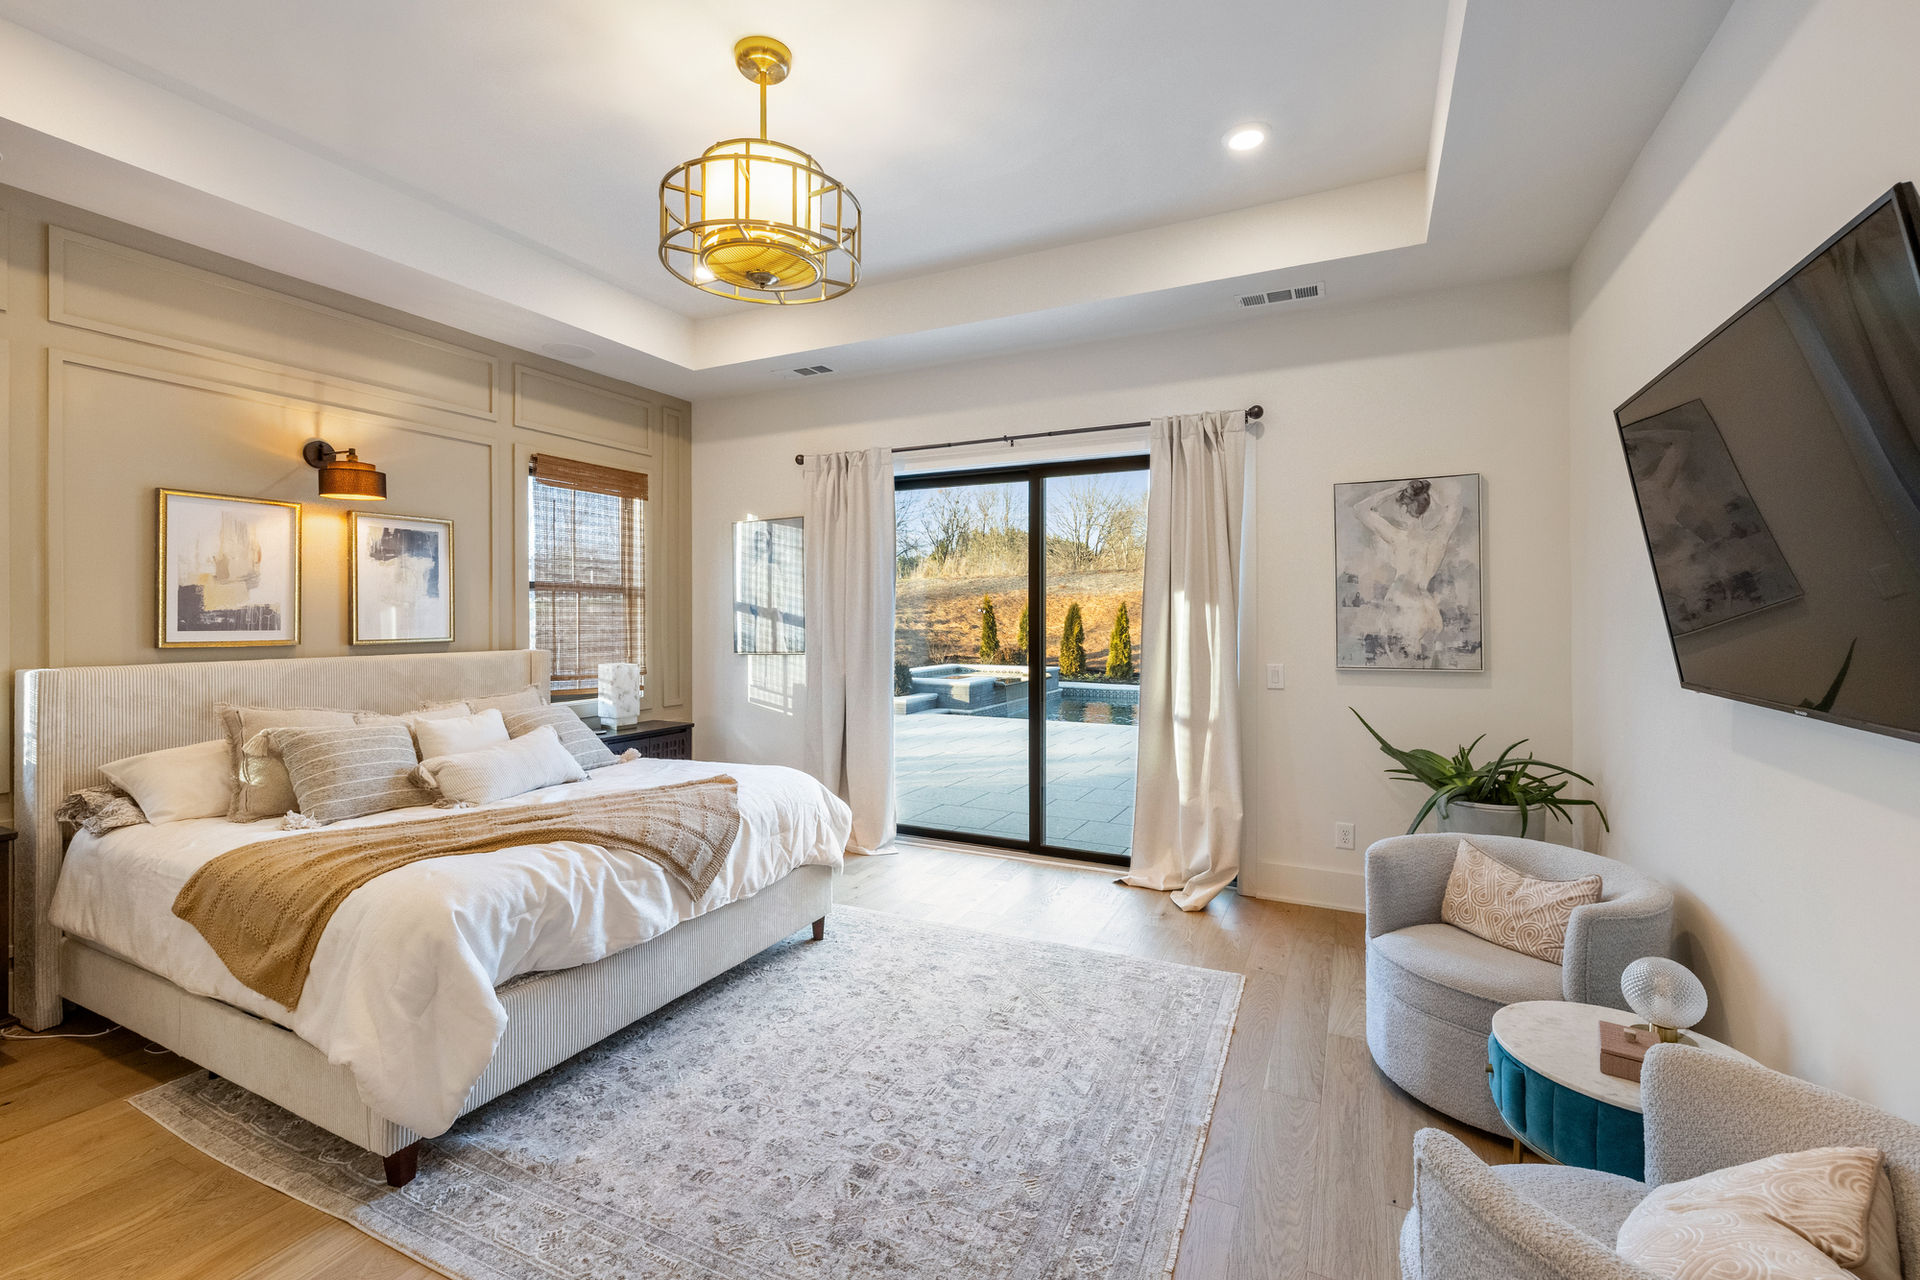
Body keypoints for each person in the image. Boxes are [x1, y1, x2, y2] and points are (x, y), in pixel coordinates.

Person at [1351, 478, 1465, 662]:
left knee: (1402, 675)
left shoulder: (1398, 538)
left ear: (1403, 510)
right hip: (1429, 610)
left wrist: (1394, 489)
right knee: (1426, 675)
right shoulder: (1440, 536)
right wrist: (1428, 497)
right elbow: (1455, 506)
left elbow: (1359, 509)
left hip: (1404, 610)